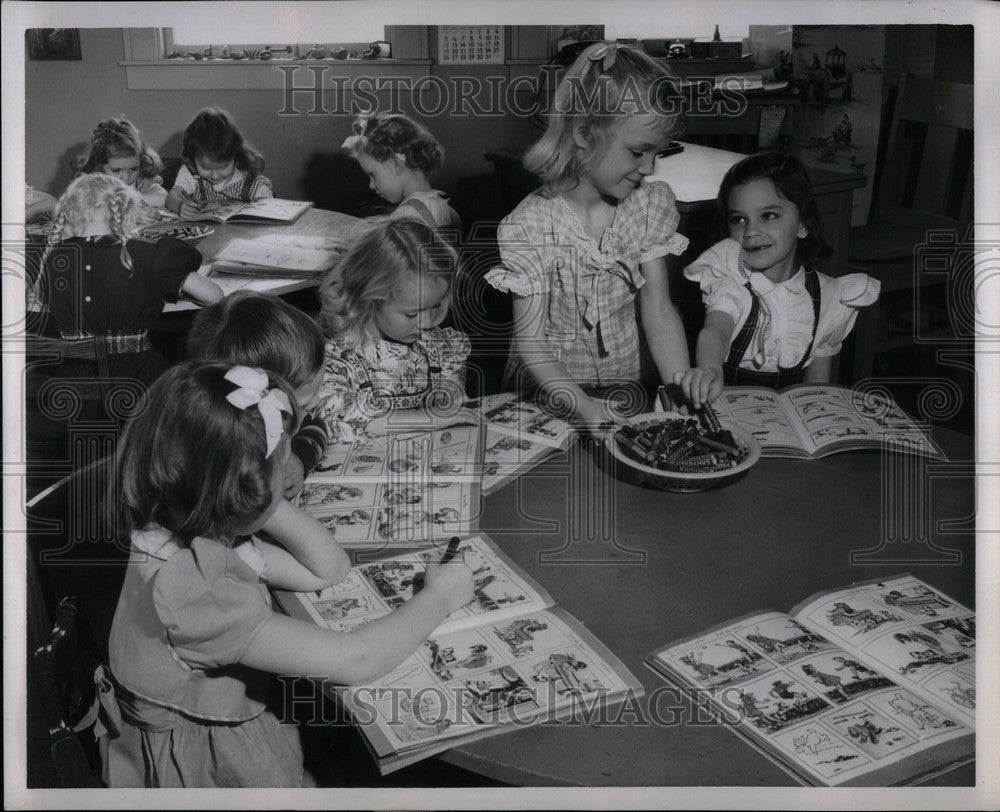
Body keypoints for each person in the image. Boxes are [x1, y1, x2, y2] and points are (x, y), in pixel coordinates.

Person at [98, 362, 474, 787]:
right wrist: (440, 597)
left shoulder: (176, 527)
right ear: (245, 489)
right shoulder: (197, 588)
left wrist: (261, 499)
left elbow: (328, 570)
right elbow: (356, 660)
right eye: (281, 461)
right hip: (208, 766)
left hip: (208, 728)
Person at [484, 42, 695, 431]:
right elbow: (531, 341)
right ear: (584, 134)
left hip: (628, 382)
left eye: (658, 154)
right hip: (553, 393)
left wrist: (678, 387)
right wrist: (583, 405)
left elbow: (660, 310)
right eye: (638, 152)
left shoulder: (647, 207)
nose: (649, 168)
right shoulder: (530, 225)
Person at [675, 152, 880, 408]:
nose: (750, 231)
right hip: (726, 416)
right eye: (738, 219)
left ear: (802, 224)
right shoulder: (731, 283)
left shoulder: (830, 297)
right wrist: (710, 369)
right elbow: (715, 329)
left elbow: (816, 386)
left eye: (769, 215)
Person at [39, 173, 222, 392]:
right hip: (138, 383)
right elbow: (215, 296)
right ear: (128, 213)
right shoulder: (147, 255)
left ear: (68, 214)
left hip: (73, 387)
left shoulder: (53, 258)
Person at [317, 218, 477, 441]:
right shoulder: (338, 358)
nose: (427, 323)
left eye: (436, 306)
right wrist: (424, 418)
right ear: (370, 298)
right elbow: (328, 419)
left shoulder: (440, 346)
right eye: (411, 314)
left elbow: (452, 409)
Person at [187, 291, 330, 498]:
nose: (317, 402)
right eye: (303, 403)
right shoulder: (225, 458)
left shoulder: (263, 426)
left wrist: (297, 458)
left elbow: (316, 425)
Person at [341, 112, 461, 232]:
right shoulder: (450, 213)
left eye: (372, 174)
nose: (371, 185)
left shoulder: (406, 217)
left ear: (396, 163)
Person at [165, 107, 273, 218]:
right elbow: (172, 196)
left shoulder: (255, 184)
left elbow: (269, 215)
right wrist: (180, 206)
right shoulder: (191, 173)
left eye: (223, 167)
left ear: (235, 156)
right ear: (193, 159)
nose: (215, 176)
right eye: (205, 168)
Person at [72, 116, 169, 208]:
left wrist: (132, 199)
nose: (126, 177)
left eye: (133, 169)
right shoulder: (93, 185)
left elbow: (163, 197)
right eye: (117, 170)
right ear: (99, 167)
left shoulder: (141, 179)